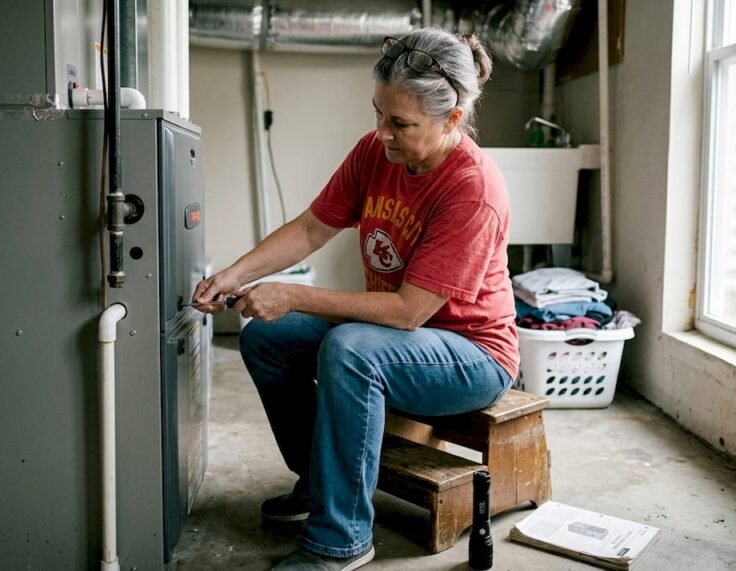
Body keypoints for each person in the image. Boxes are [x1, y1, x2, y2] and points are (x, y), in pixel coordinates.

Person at [192, 27, 519, 571]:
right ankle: (321, 487)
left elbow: (411, 311)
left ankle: (340, 541)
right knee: (268, 338)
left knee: (351, 349)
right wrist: (234, 272)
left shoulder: (473, 189)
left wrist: (294, 294)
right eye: (378, 114)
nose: (382, 133)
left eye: (400, 124)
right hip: (399, 338)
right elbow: (312, 228)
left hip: (472, 354)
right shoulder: (376, 152)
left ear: (453, 118)